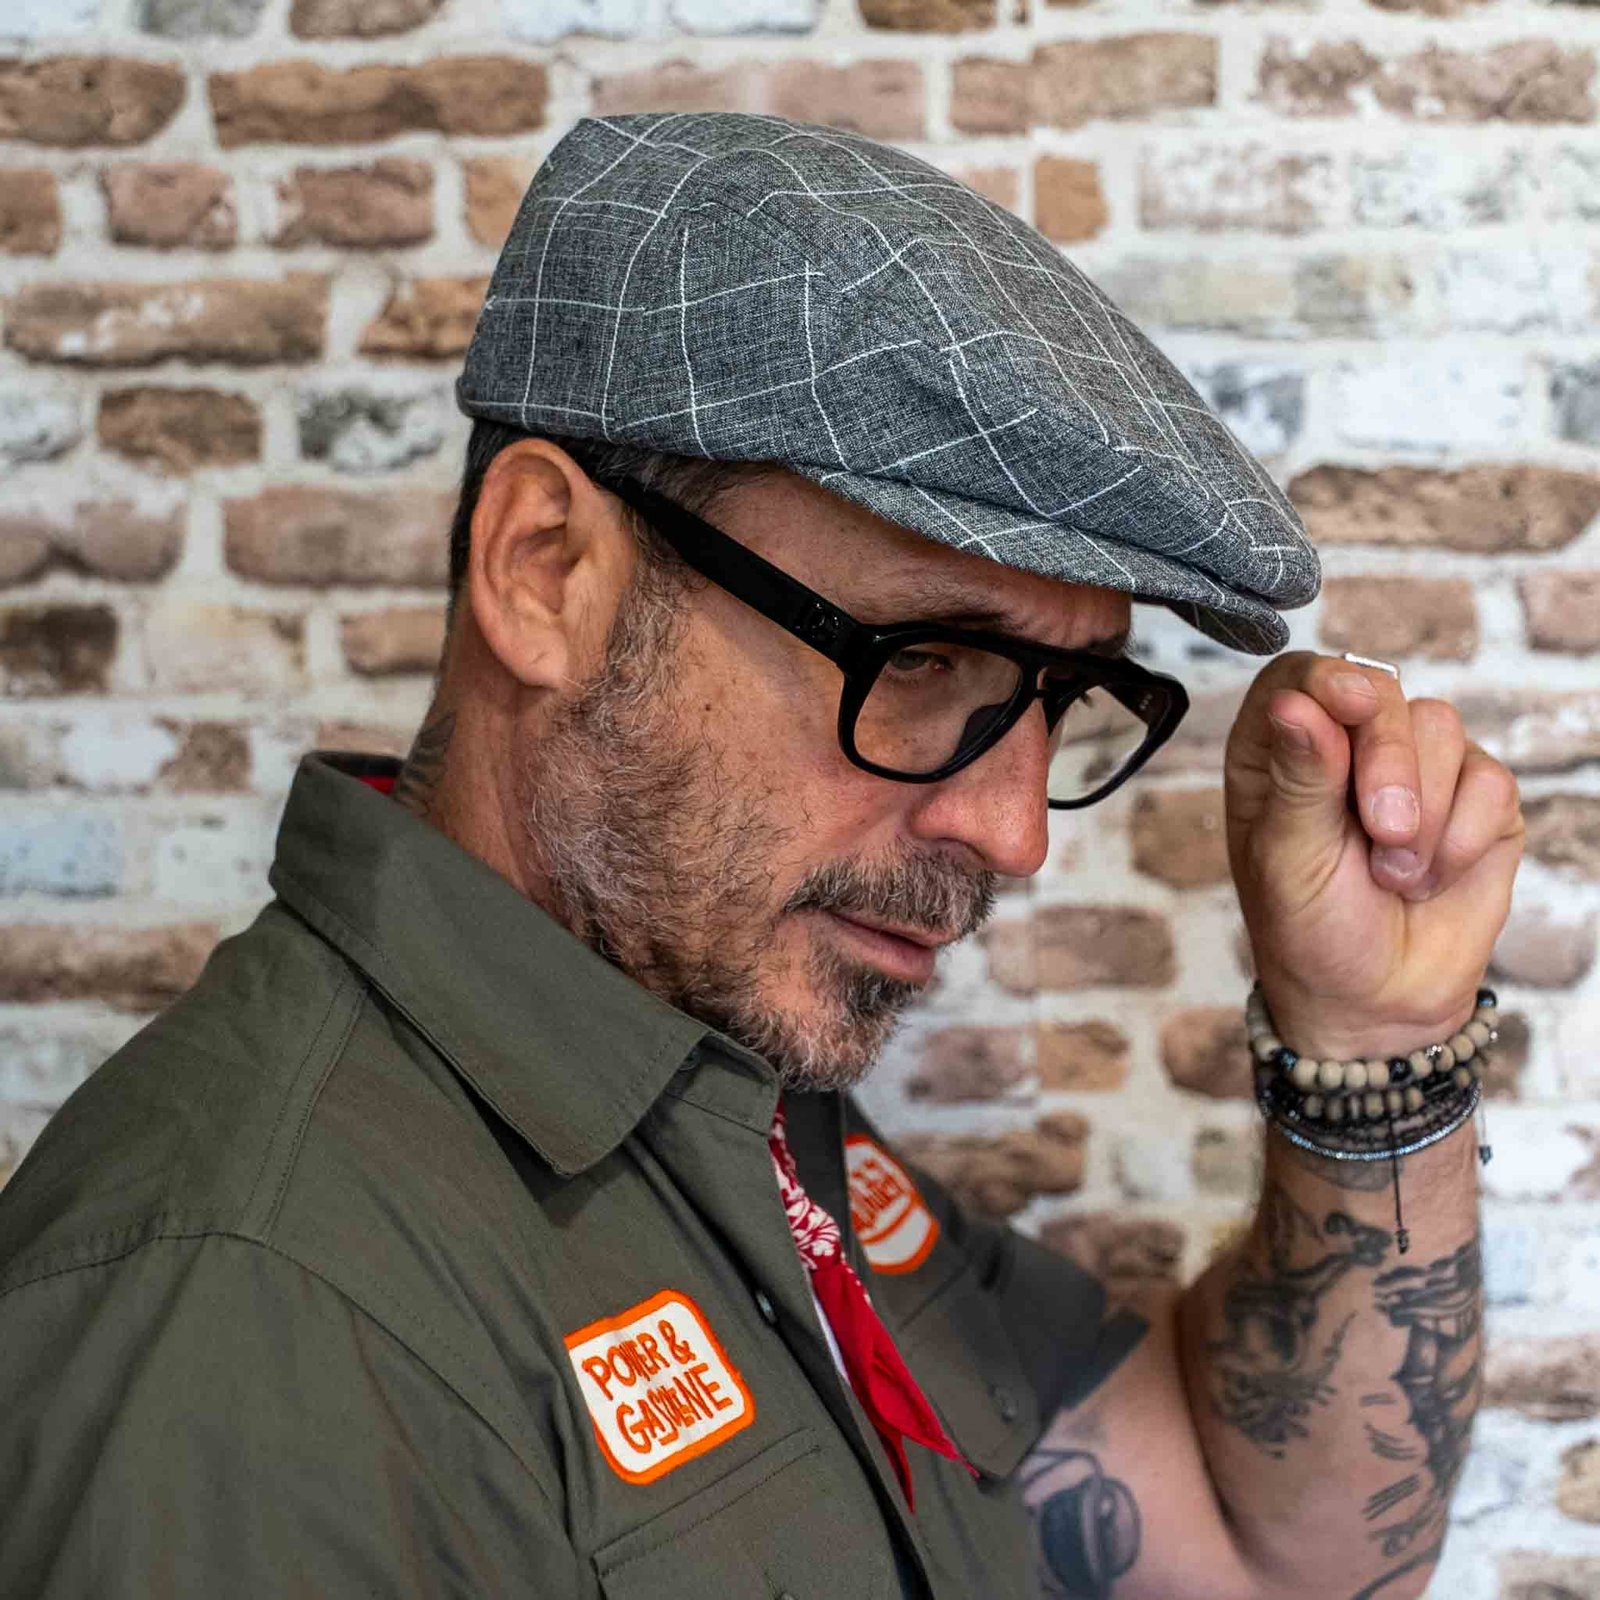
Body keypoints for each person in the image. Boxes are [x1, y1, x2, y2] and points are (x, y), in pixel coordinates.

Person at [0, 112, 1523, 1600]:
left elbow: (1262, 1549)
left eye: (1063, 698)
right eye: (921, 661)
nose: (1013, 835)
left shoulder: (724, 1083)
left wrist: (1371, 1051)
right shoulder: (249, 1311)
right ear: (546, 571)